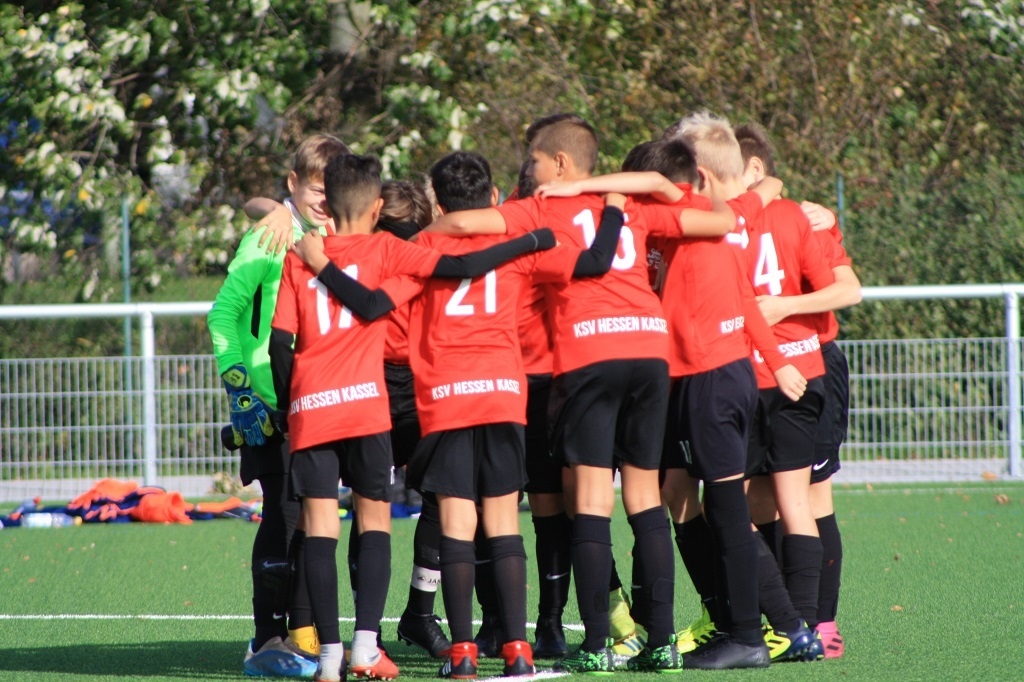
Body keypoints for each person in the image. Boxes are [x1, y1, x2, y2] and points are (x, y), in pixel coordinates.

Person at [426, 117, 740, 673]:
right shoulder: (629, 204)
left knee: (591, 499)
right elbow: (721, 218)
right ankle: (661, 641)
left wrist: (421, 238)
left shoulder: (540, 208)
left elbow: (463, 222)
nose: (531, 169)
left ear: (561, 163)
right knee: (644, 496)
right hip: (649, 350)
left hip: (591, 353)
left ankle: (598, 644)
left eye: (535, 159)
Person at [268, 153, 555, 682]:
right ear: (377, 207)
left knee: (324, 528)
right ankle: (378, 646)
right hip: (391, 398)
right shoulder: (391, 250)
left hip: (330, 402)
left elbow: (280, 344)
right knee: (408, 518)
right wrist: (532, 240)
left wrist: (290, 406)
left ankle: (335, 655)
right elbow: (455, 272)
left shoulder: (301, 258)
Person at [207, 133, 350, 678]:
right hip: (269, 404)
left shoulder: (336, 235)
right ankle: (265, 638)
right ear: (293, 184)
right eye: (315, 190)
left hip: (319, 400)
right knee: (284, 517)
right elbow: (223, 315)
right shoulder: (268, 236)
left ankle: (303, 635)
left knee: (315, 519)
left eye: (332, 190)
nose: (324, 200)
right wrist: (240, 388)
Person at [735, 123, 862, 659]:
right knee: (760, 498)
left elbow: (848, 289)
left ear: (754, 169)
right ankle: (786, 620)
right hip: (752, 370)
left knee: (812, 495)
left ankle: (820, 622)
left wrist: (786, 307)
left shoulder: (804, 218)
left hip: (811, 364)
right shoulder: (727, 221)